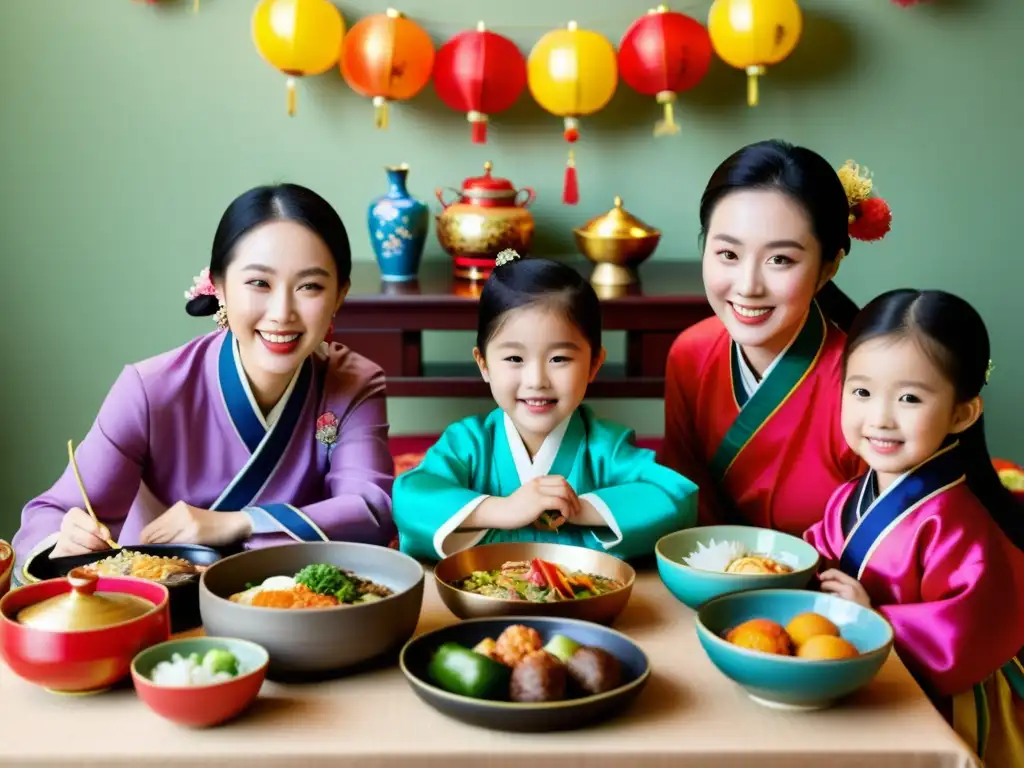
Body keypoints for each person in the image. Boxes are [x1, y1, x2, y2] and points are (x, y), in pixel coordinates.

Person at [12, 183, 397, 578]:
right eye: (259, 283)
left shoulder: (354, 383)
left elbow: (371, 509)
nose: (282, 312)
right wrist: (65, 540)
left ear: (339, 295)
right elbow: (50, 514)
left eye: (310, 287)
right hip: (161, 603)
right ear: (220, 285)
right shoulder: (150, 389)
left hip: (295, 603)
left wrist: (239, 522)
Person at [804, 289, 1024, 766]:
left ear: (962, 412)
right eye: (861, 392)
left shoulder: (957, 522)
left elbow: (967, 636)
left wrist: (874, 619)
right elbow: (819, 554)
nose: (880, 417)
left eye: (909, 397)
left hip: (940, 702)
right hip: (861, 673)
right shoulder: (850, 495)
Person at [393, 250, 698, 561]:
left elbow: (676, 497)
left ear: (594, 364)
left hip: (584, 604)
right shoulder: (468, 442)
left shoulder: (606, 446)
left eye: (559, 359)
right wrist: (502, 509)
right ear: (483, 364)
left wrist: (581, 508)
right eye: (514, 358)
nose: (537, 380)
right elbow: (410, 496)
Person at [658, 139, 893, 536]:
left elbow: (888, 537)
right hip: (704, 575)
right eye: (728, 254)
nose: (748, 286)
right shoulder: (689, 353)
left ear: (829, 266)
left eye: (780, 259)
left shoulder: (865, 382)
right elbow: (681, 495)